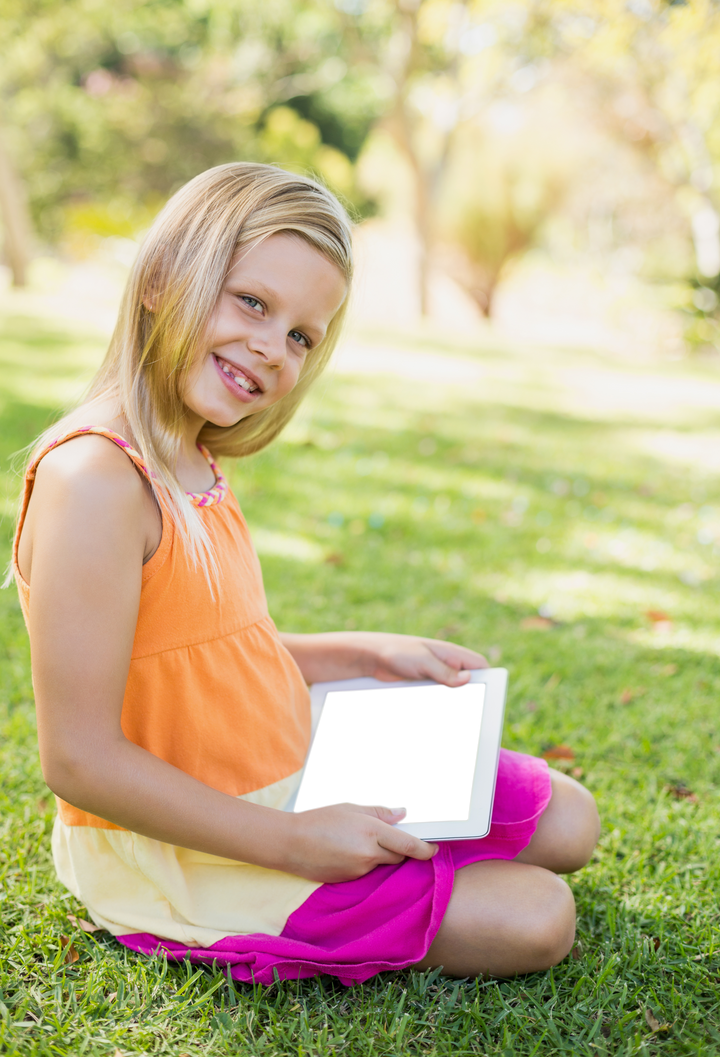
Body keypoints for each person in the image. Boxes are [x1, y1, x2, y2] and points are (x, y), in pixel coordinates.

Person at [10, 163, 599, 986]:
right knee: (535, 919)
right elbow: (80, 758)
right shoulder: (95, 484)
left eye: (300, 336)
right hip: (196, 836)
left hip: (284, 753)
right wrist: (296, 843)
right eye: (252, 302)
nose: (270, 348)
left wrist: (364, 656)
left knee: (571, 819)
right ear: (160, 278)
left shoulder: (193, 451)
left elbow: (208, 654)